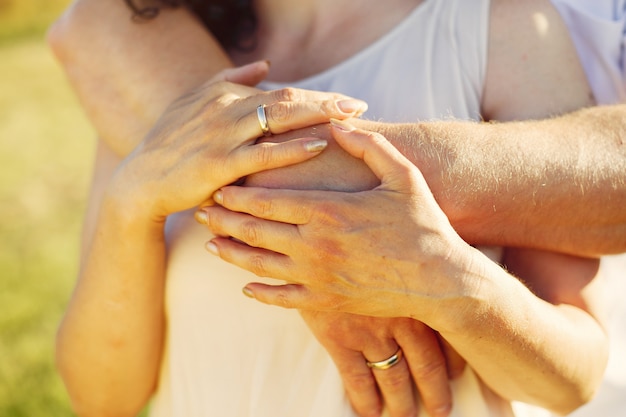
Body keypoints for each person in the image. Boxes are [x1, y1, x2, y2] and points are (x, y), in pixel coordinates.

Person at [47, 1, 611, 417]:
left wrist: (445, 281)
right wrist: (132, 202)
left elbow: (573, 381)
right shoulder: (152, 57)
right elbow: (100, 397)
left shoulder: (501, 28)